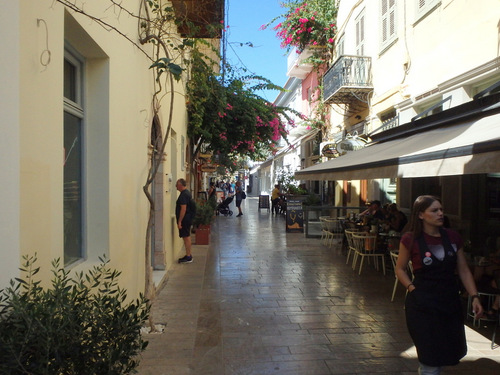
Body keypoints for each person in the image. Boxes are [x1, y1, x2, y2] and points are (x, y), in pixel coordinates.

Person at [395, 195, 483, 375]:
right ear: (421, 215)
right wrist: (412, 288)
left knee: (445, 351)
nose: (441, 213)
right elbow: (400, 269)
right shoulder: (410, 239)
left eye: (441, 210)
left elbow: (464, 270)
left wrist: (474, 296)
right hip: (422, 303)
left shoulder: (453, 237)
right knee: (429, 354)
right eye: (435, 210)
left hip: (448, 301)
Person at [175, 178, 194, 264]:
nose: (176, 186)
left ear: (180, 185)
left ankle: (188, 256)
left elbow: (183, 209)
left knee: (186, 237)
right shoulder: (187, 193)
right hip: (187, 218)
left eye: (177, 185)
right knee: (186, 236)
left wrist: (179, 221)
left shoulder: (183, 195)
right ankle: (188, 255)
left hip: (185, 219)